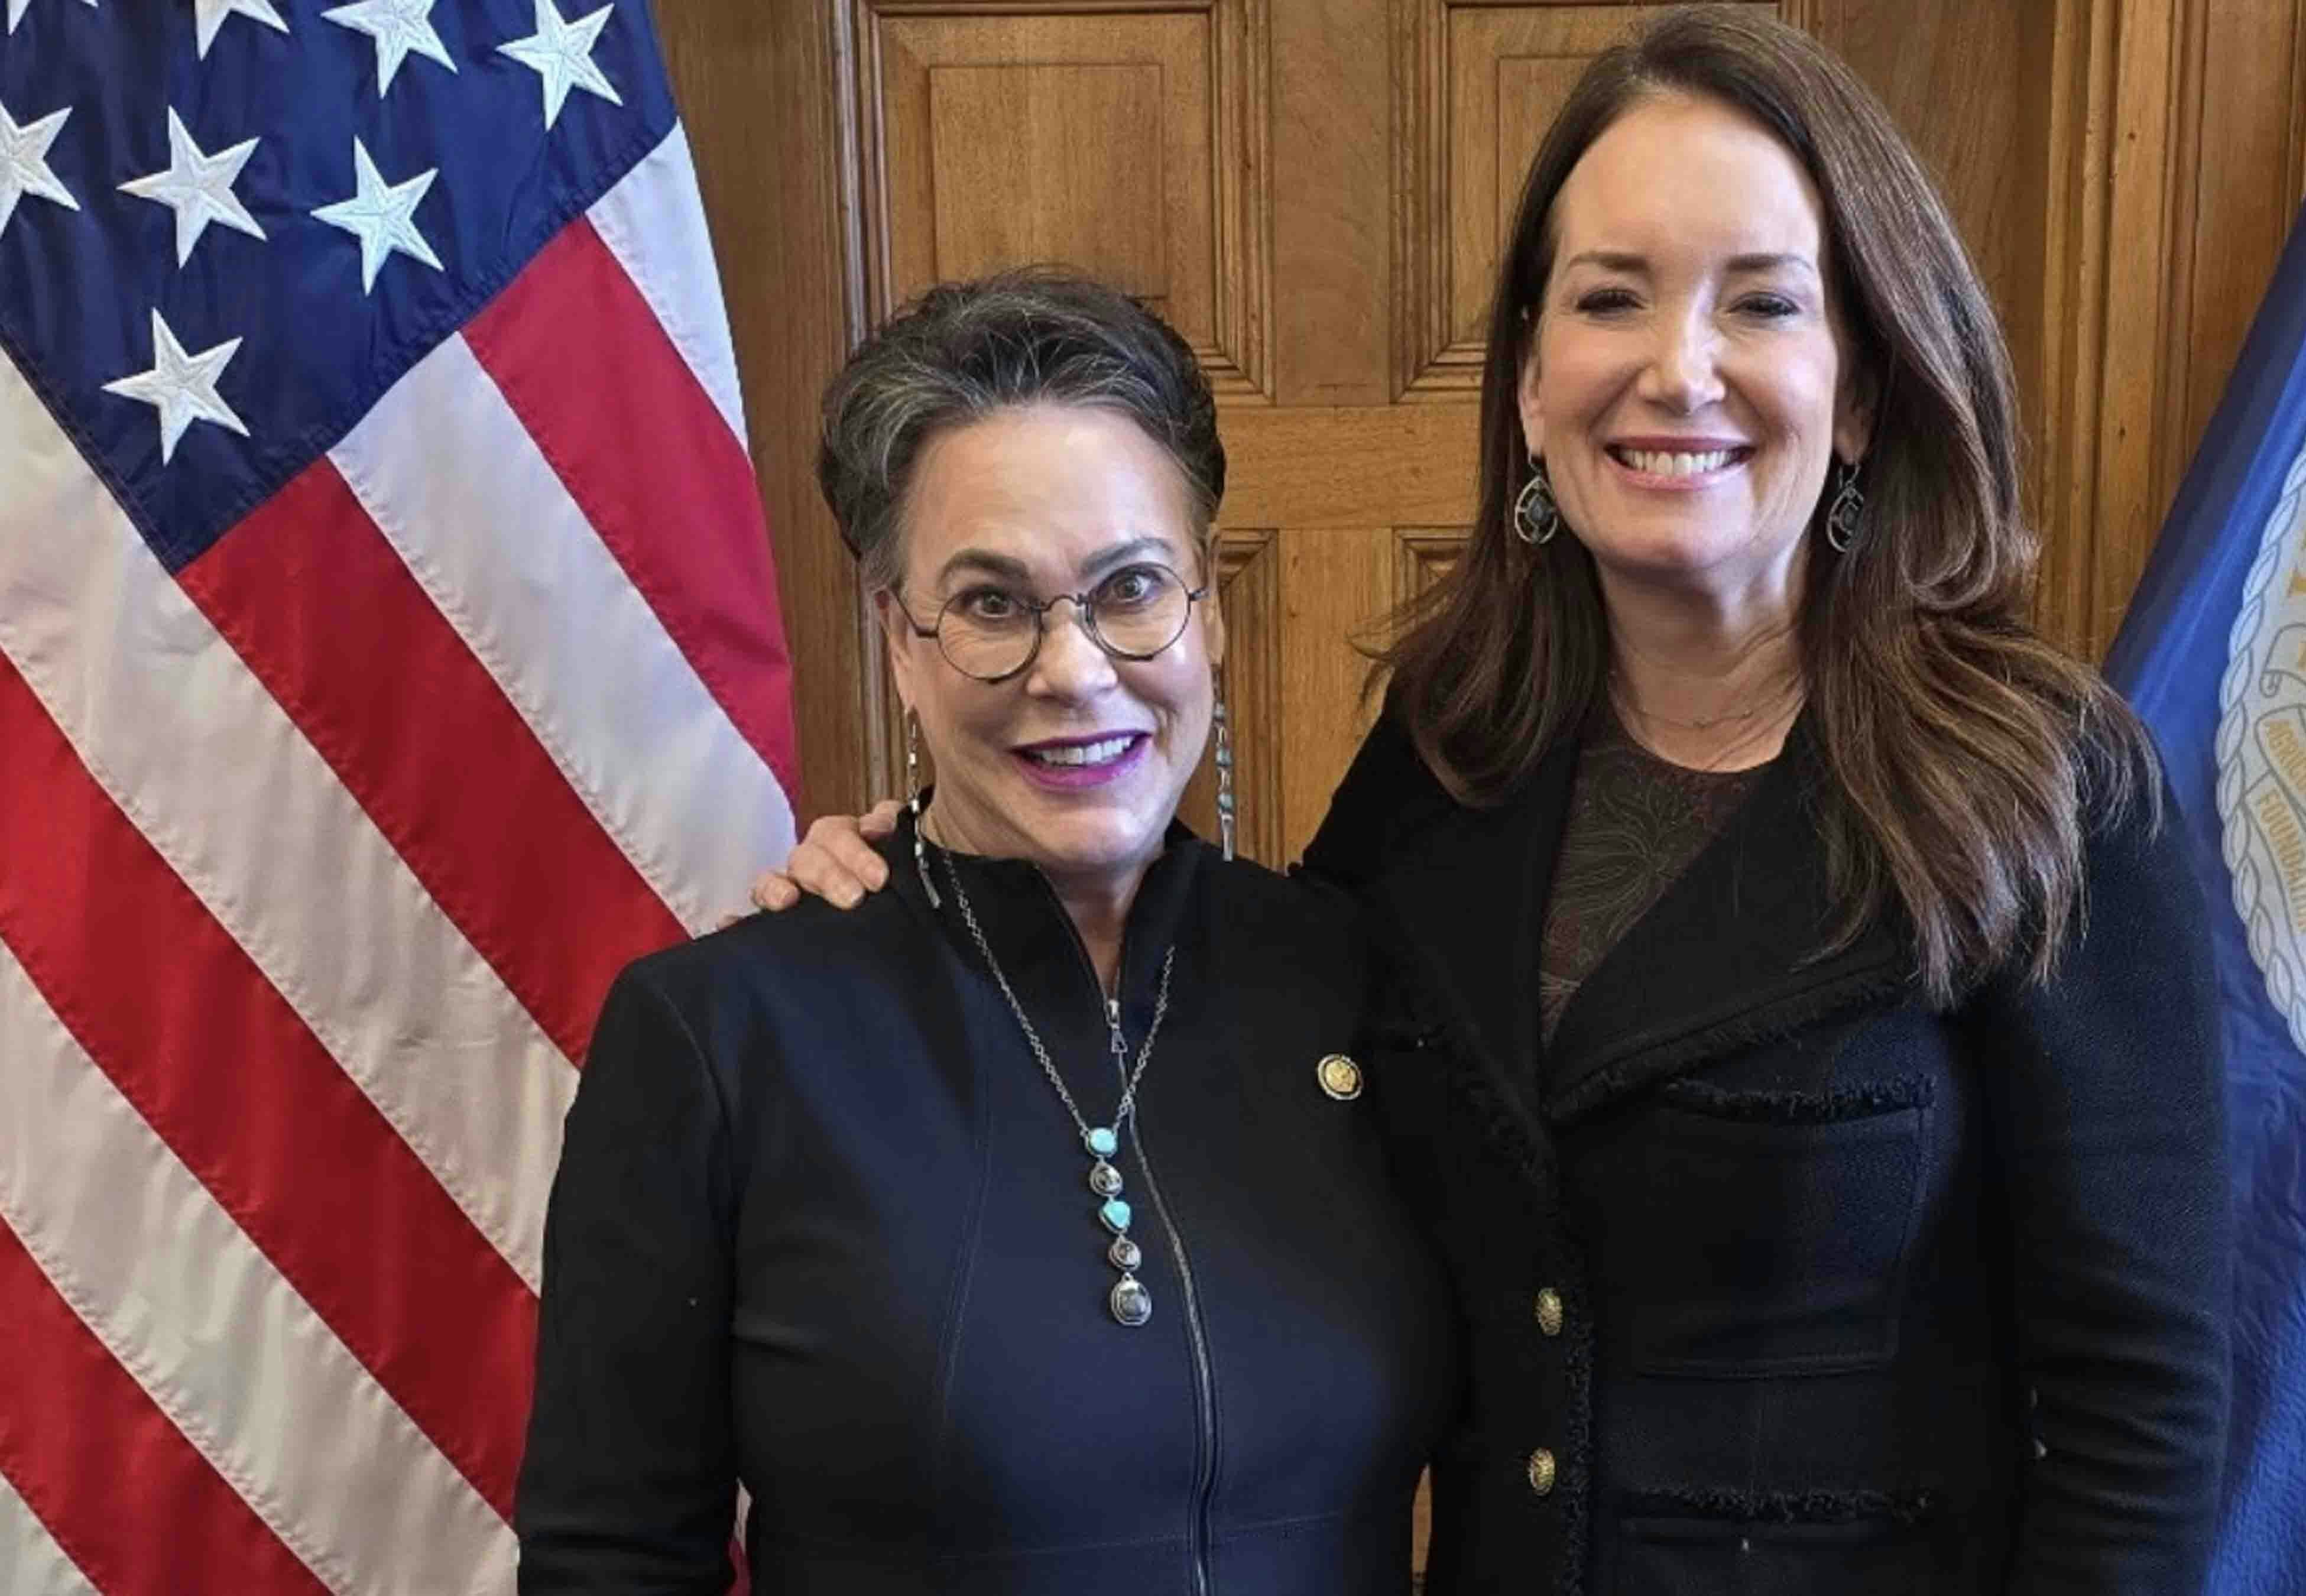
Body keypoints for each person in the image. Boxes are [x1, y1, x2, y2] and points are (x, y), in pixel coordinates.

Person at [760, 8, 2230, 1591]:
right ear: (1531, 382)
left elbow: (2137, 1417)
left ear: (1861, 387)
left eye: (1762, 301)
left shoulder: (2044, 784)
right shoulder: (1454, 743)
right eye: (1612, 297)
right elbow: (1218, 1027)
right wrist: (923, 886)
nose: (1678, 366)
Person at [516, 268, 1453, 1594]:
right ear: (900, 641)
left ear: (1212, 611)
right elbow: (612, 1560)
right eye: (993, 605)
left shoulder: (1357, 981)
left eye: (1132, 588)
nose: (1073, 671)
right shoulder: (723, 1038)